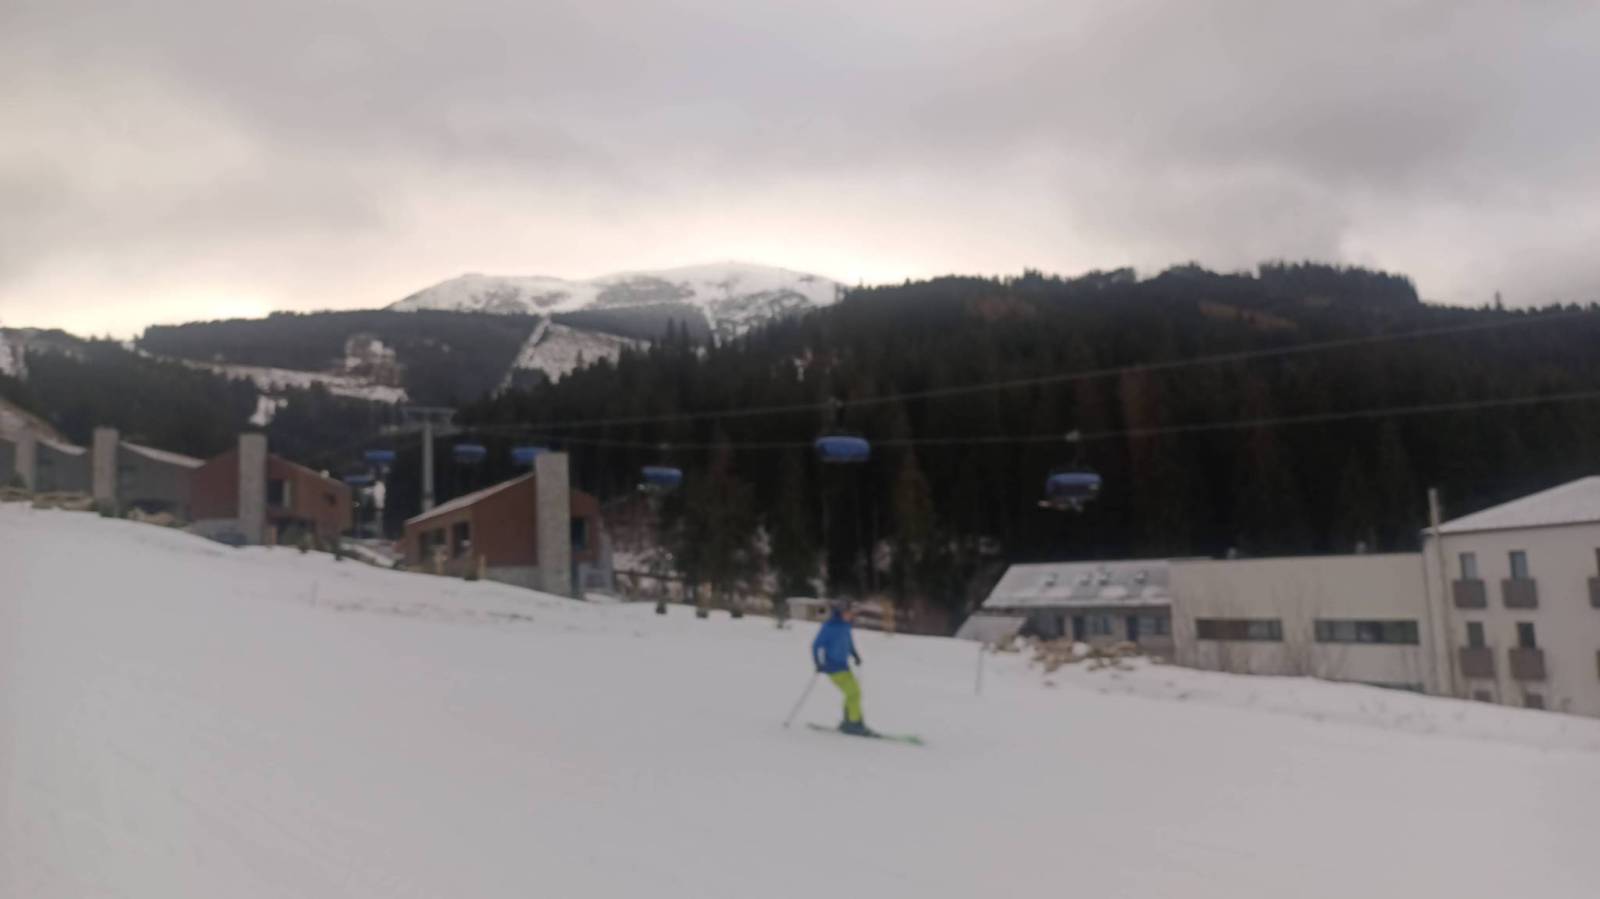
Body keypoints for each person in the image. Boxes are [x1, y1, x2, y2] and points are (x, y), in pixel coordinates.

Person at [812, 600, 869, 735]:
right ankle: (854, 723)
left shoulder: (846, 626)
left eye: (851, 613)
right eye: (848, 613)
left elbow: (848, 642)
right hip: (833, 667)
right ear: (840, 612)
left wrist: (855, 654)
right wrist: (818, 663)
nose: (851, 615)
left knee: (853, 693)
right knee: (854, 693)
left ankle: (849, 721)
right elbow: (816, 645)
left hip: (844, 666)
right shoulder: (829, 627)